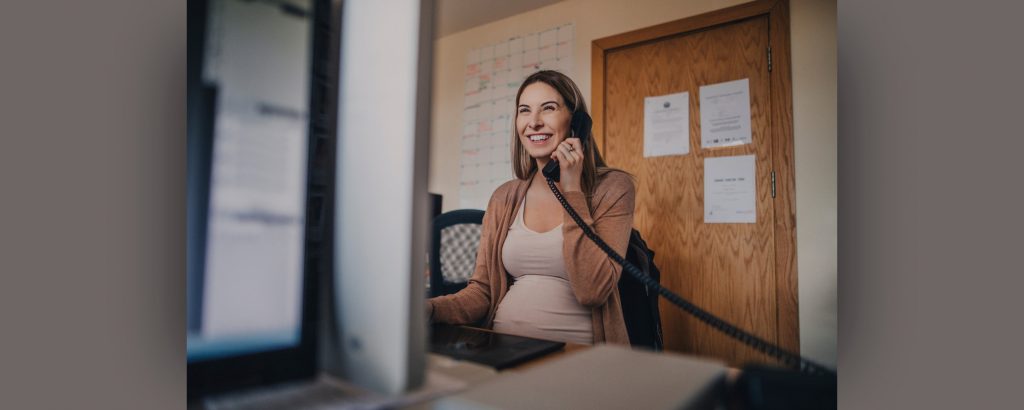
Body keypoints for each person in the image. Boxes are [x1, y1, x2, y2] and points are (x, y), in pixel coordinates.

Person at [427, 70, 635, 345]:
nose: (534, 122)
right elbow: (482, 292)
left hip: (579, 358)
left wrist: (572, 189)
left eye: (548, 108)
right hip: (501, 352)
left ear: (577, 122)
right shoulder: (505, 197)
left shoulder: (613, 187)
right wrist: (429, 309)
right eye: (524, 111)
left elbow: (592, 290)